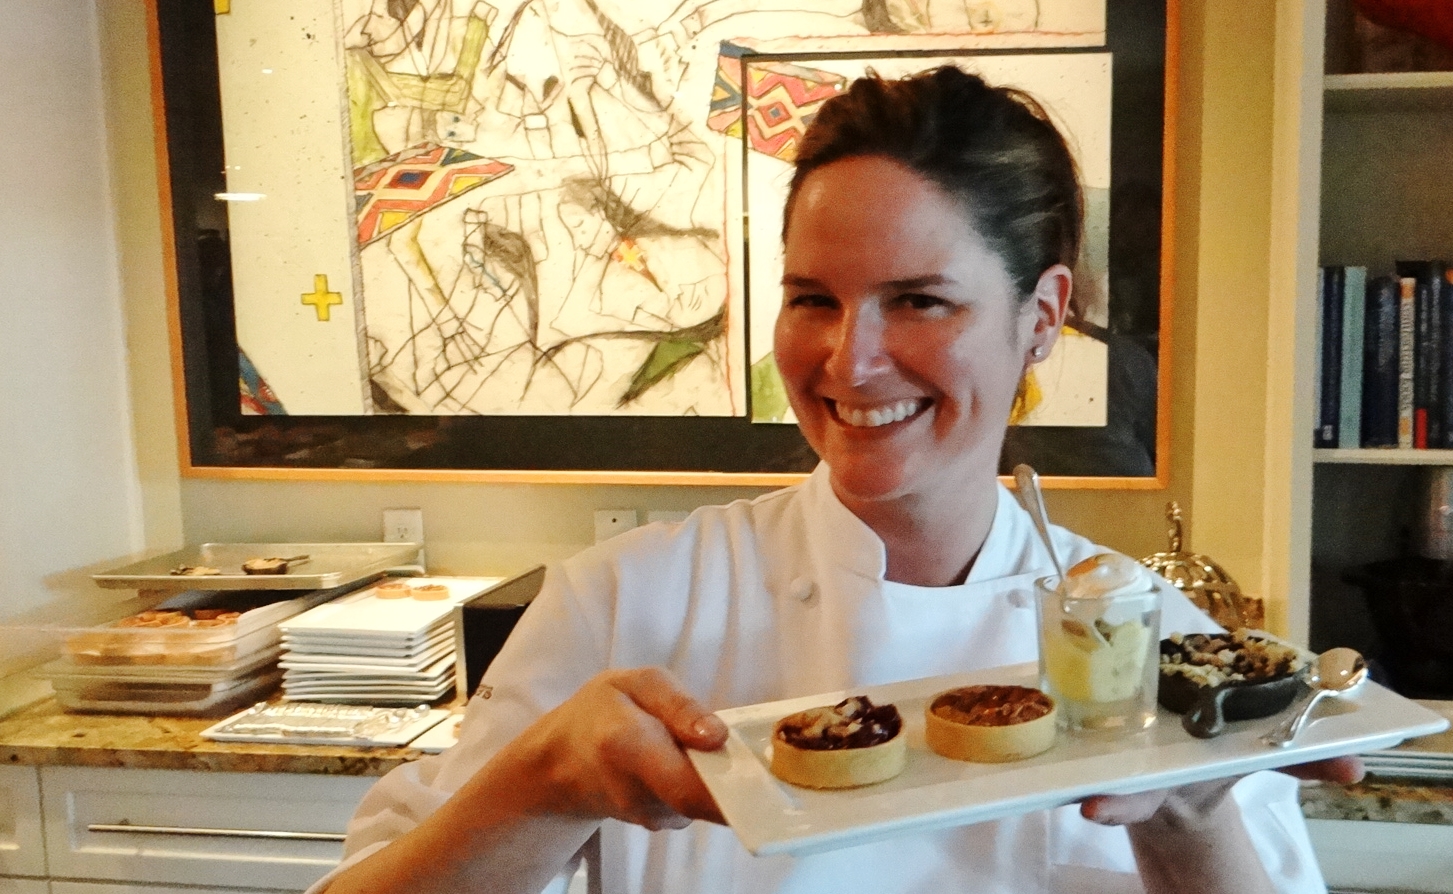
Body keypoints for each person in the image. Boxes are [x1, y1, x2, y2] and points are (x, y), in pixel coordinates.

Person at [314, 65, 1359, 894]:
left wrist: (1184, 814)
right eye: (813, 298)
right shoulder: (627, 604)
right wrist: (543, 788)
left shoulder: (1155, 645)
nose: (848, 362)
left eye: (919, 300)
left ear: (1041, 316)